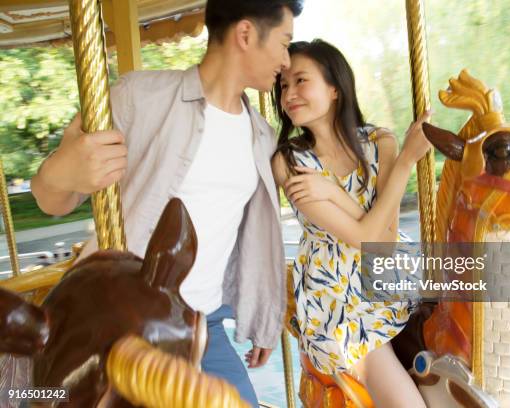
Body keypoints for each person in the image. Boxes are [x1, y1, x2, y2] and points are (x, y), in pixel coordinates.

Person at [30, 1, 304, 406]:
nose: (285, 60)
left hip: (200, 327)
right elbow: (52, 198)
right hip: (123, 323)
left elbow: (253, 241)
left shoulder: (261, 136)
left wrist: (263, 321)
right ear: (245, 35)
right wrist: (57, 174)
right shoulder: (138, 97)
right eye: (283, 44)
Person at [271, 39, 430, 407]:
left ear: (334, 89)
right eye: (283, 85)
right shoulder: (291, 162)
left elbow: (384, 241)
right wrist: (406, 162)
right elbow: (368, 238)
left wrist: (331, 192)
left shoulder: (380, 142)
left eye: (300, 81)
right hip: (338, 301)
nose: (289, 93)